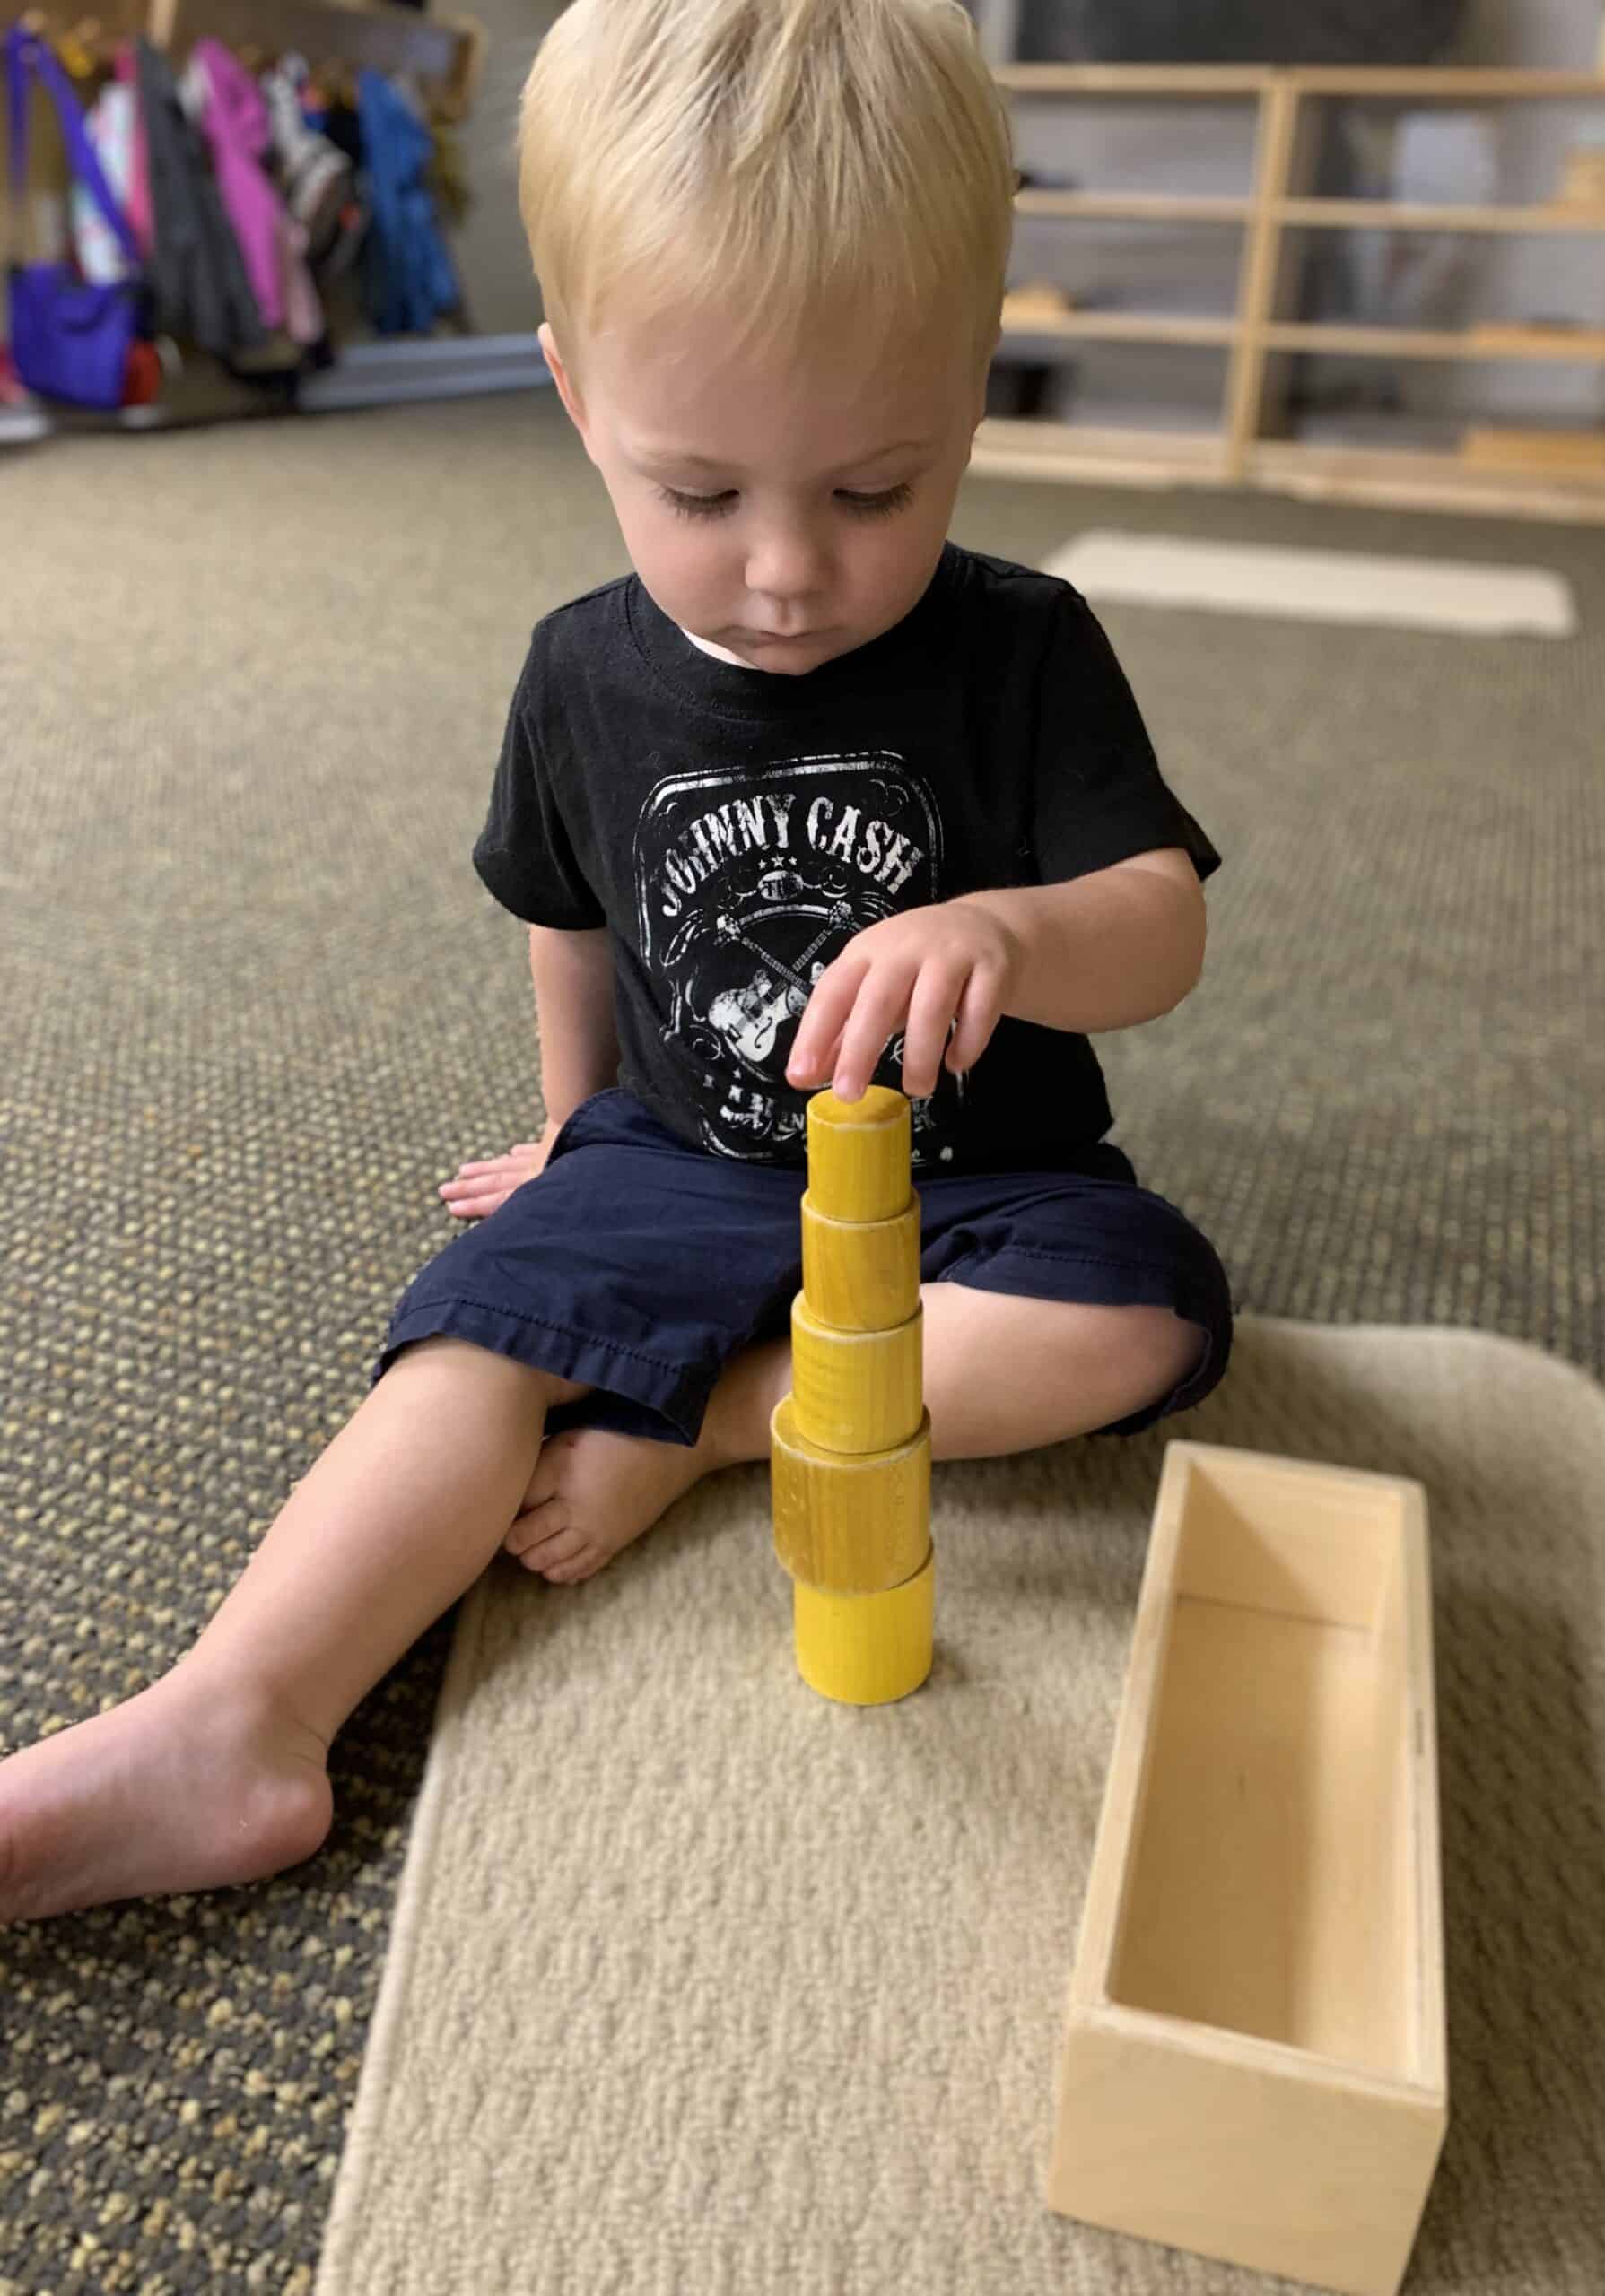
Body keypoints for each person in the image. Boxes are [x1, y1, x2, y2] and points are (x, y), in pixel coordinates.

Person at [0, 0, 1232, 1927]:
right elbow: (562, 904)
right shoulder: (582, 665)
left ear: (973, 391)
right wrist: (577, 1131)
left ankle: (711, 1414)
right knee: (472, 1335)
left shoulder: (1026, 642)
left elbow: (1160, 917)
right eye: (700, 491)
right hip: (683, 1154)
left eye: (872, 490)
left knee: (1144, 1310)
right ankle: (229, 1720)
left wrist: (1009, 926)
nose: (785, 569)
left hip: (969, 1184)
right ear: (578, 402)